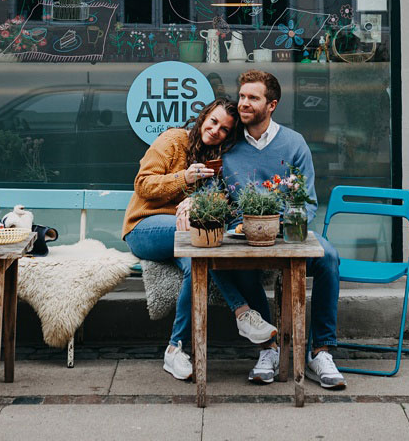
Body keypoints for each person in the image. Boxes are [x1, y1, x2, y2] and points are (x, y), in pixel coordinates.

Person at [123, 97, 277, 381]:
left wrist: (198, 201)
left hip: (187, 238)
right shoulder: (173, 140)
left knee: (198, 266)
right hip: (145, 227)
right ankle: (243, 313)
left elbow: (222, 198)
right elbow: (143, 184)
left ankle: (175, 349)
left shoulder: (217, 158)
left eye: (224, 129)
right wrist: (184, 179)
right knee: (198, 237)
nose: (215, 130)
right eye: (213, 121)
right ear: (204, 116)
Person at [216, 69, 346, 390]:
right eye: (242, 96)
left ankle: (321, 351)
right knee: (238, 266)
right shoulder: (228, 146)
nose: (243, 103)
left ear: (271, 104)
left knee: (329, 258)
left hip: (288, 232)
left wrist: (282, 227)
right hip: (244, 236)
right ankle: (269, 349)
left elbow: (309, 202)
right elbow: (220, 198)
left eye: (252, 98)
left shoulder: (294, 143)